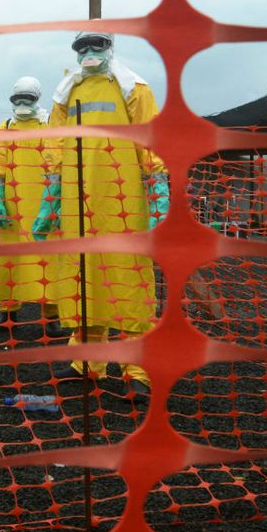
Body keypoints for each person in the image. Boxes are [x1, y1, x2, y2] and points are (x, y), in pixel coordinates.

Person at [33, 31, 167, 401]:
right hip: (77, 204)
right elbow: (55, 145)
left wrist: (159, 197)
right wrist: (51, 199)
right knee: (82, 278)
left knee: (128, 279)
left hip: (122, 201)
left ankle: (137, 368)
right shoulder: (66, 94)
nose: (89, 53)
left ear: (110, 48)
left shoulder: (133, 88)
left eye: (97, 45)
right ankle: (87, 363)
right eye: (82, 47)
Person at [0, 77, 70, 338]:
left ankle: (52, 318)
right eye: (17, 98)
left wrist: (54, 205)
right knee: (10, 261)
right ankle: (7, 315)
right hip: (13, 210)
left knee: (48, 261)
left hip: (44, 206)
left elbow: (57, 167)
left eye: (28, 98)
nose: (22, 104)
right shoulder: (5, 128)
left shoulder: (49, 128)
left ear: (37, 99)